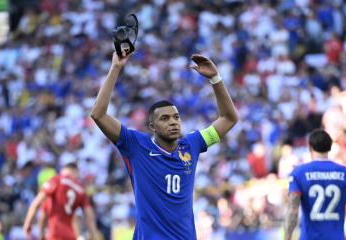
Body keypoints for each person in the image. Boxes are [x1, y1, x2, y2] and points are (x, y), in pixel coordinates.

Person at [90, 51, 238, 239]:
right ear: (152, 126)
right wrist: (116, 67)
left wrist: (215, 79)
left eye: (176, 117)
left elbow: (229, 118)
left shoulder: (192, 145)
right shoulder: (136, 146)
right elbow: (98, 114)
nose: (173, 122)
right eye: (165, 118)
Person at [284, 129, 346, 240]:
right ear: (330, 147)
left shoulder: (299, 173)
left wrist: (287, 236)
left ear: (310, 146)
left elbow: (293, 210)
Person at [23, 163, 100, 240]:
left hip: (55, 234)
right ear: (75, 172)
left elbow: (37, 205)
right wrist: (94, 234)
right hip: (71, 236)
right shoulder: (81, 189)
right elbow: (89, 216)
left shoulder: (56, 180)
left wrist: (28, 225)